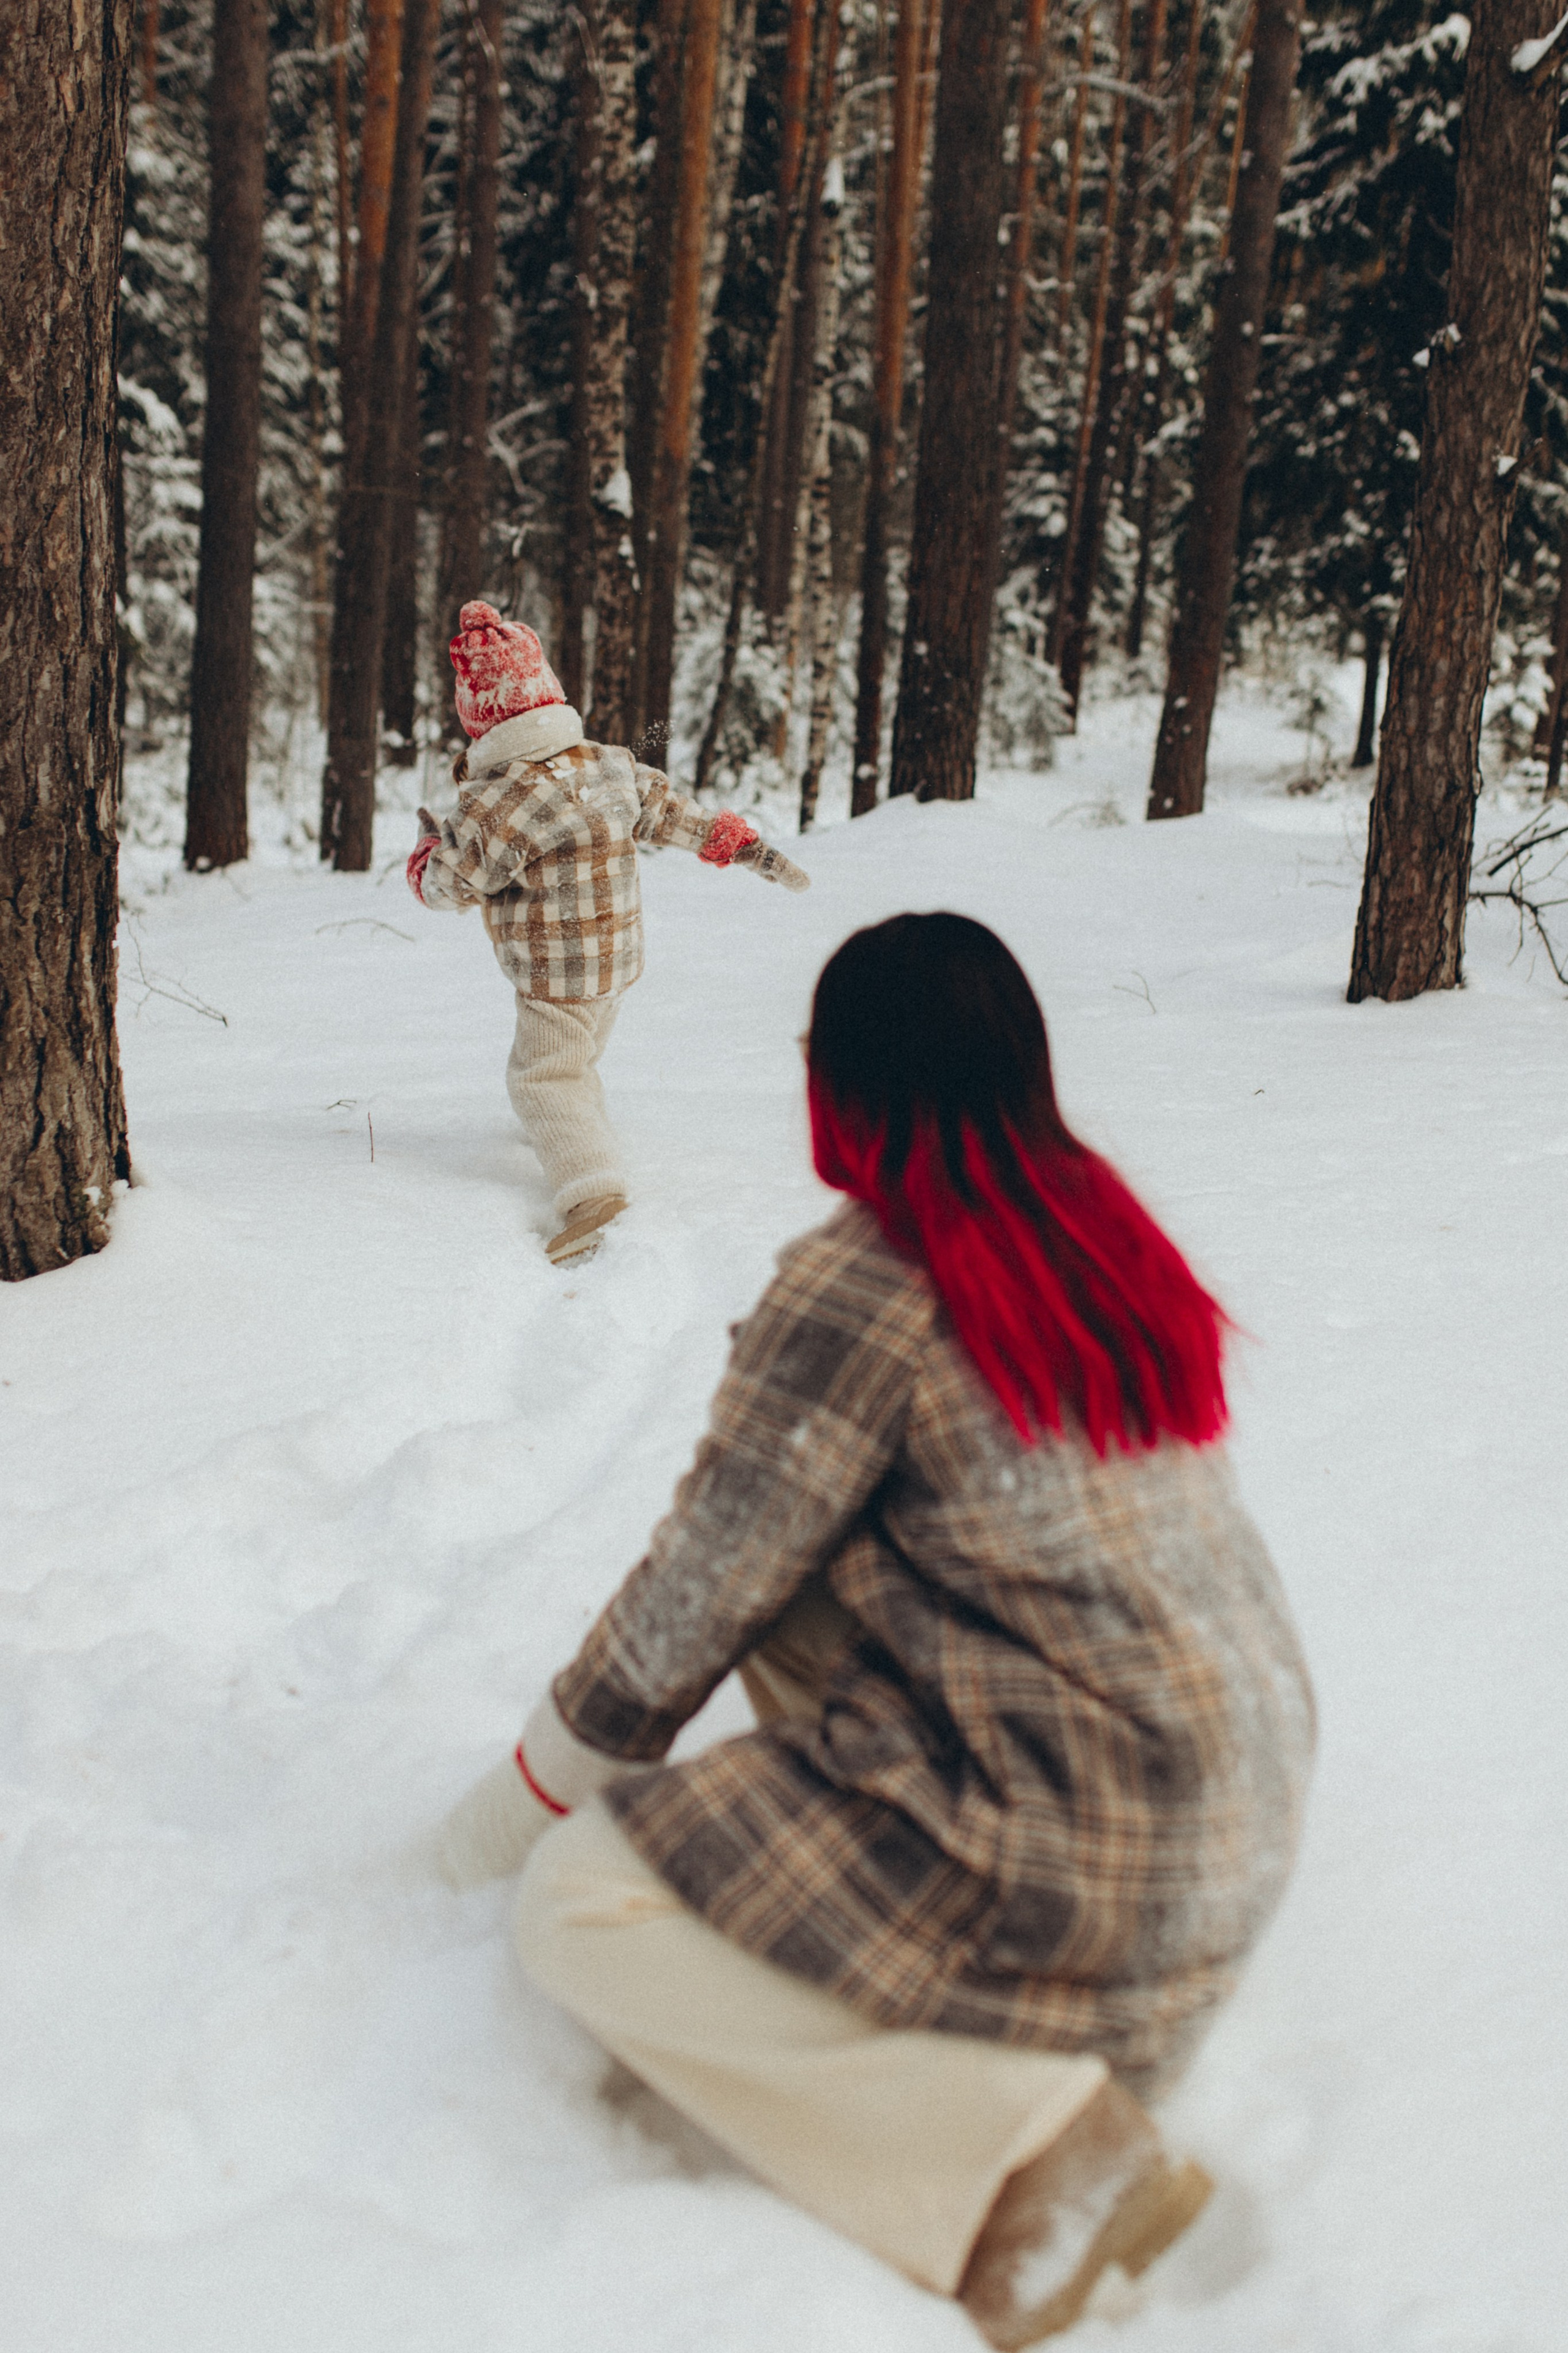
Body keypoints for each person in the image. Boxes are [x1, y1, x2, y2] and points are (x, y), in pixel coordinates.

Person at [438, 912, 1315, 2345]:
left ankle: (1032, 2163)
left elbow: (693, 1593)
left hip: (1084, 1851)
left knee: (583, 1898)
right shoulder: (1090, 1229)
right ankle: (978, 2003)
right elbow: (767, 1582)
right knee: (805, 1582)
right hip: (1224, 1821)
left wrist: (490, 1829)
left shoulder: (866, 1280)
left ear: (843, 1084)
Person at [407, 601, 810, 1263]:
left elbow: (452, 882)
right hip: (617, 962)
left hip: (554, 977)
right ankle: (574, 1132)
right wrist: (740, 845)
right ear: (550, 697)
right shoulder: (610, 766)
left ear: (479, 721)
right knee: (577, 1060)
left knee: (543, 1078)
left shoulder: (498, 801)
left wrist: (427, 852)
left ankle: (591, 1192)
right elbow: (675, 813)